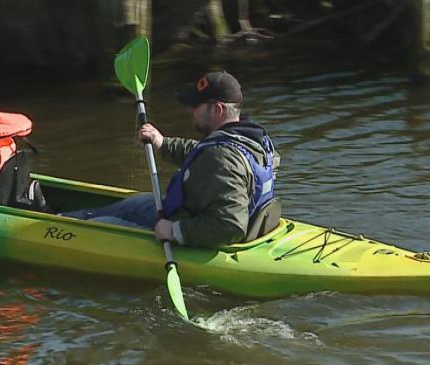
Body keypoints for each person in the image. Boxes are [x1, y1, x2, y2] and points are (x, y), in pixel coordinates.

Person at [64, 71, 280, 248]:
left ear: (217, 109)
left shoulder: (221, 158)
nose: (190, 110)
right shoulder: (254, 142)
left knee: (99, 225)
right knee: (134, 203)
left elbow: (229, 226)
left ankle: (56, 225)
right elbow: (205, 155)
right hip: (198, 215)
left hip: (194, 230)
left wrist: (173, 231)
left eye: (196, 106)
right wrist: (163, 143)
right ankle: (62, 216)